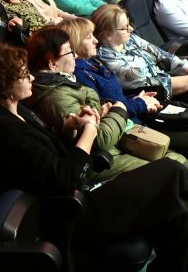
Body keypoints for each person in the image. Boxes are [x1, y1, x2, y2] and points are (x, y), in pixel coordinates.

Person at [0, 43, 188, 272]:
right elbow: (65, 179)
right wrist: (89, 130)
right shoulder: (3, 129)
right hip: (71, 216)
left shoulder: (19, 111)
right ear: (5, 84)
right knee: (172, 172)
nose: (32, 78)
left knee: (185, 211)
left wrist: (69, 128)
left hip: (81, 195)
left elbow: (45, 157)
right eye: (25, 75)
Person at [59, 16, 188, 197]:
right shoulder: (83, 72)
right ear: (75, 44)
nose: (95, 40)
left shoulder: (93, 62)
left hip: (141, 114)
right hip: (130, 129)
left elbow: (116, 99)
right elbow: (109, 111)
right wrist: (139, 103)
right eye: (89, 37)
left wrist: (137, 98)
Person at [25, 26, 173, 179]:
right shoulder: (56, 96)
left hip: (116, 141)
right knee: (173, 168)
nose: (74, 55)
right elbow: (99, 139)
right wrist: (120, 108)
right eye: (69, 52)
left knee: (175, 161)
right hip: (100, 160)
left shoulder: (65, 80)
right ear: (52, 64)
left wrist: (105, 109)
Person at [93, 3, 188, 107]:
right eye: (124, 28)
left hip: (170, 79)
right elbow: (155, 85)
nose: (131, 29)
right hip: (157, 98)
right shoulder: (107, 60)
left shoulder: (130, 39)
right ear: (106, 34)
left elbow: (164, 56)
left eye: (129, 24)